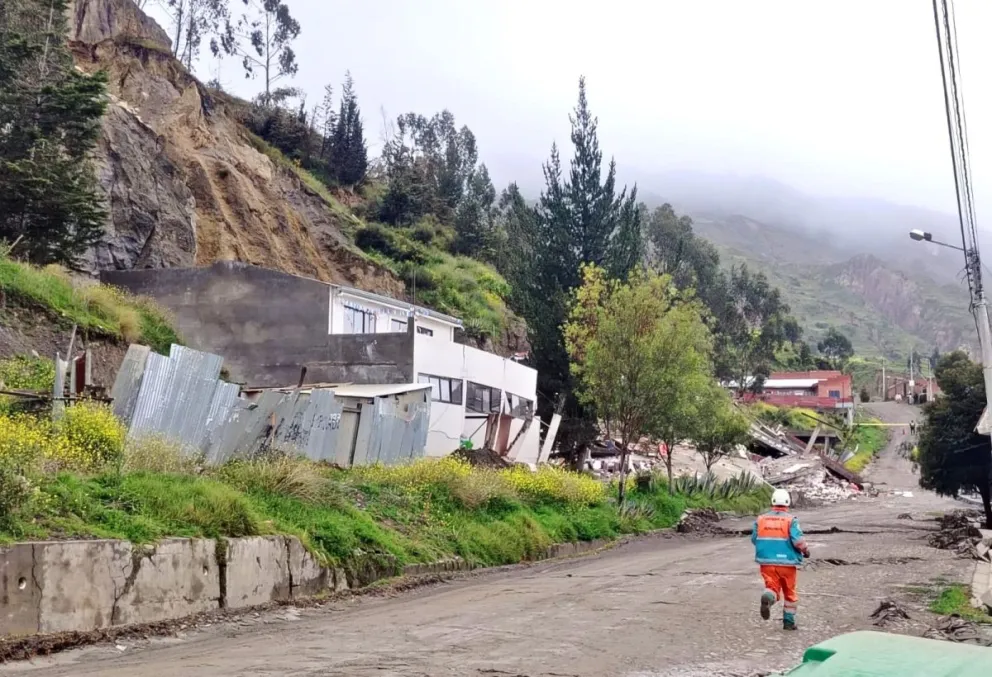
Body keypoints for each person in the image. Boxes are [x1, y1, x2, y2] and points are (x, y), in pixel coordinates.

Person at [751, 489, 810, 631]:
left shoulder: (761, 519)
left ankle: (769, 597)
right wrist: (806, 551)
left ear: (772, 501)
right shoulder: (791, 520)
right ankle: (789, 622)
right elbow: (798, 541)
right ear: (788, 502)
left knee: (772, 587)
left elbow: (754, 539)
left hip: (766, 562)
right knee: (789, 592)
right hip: (787, 564)